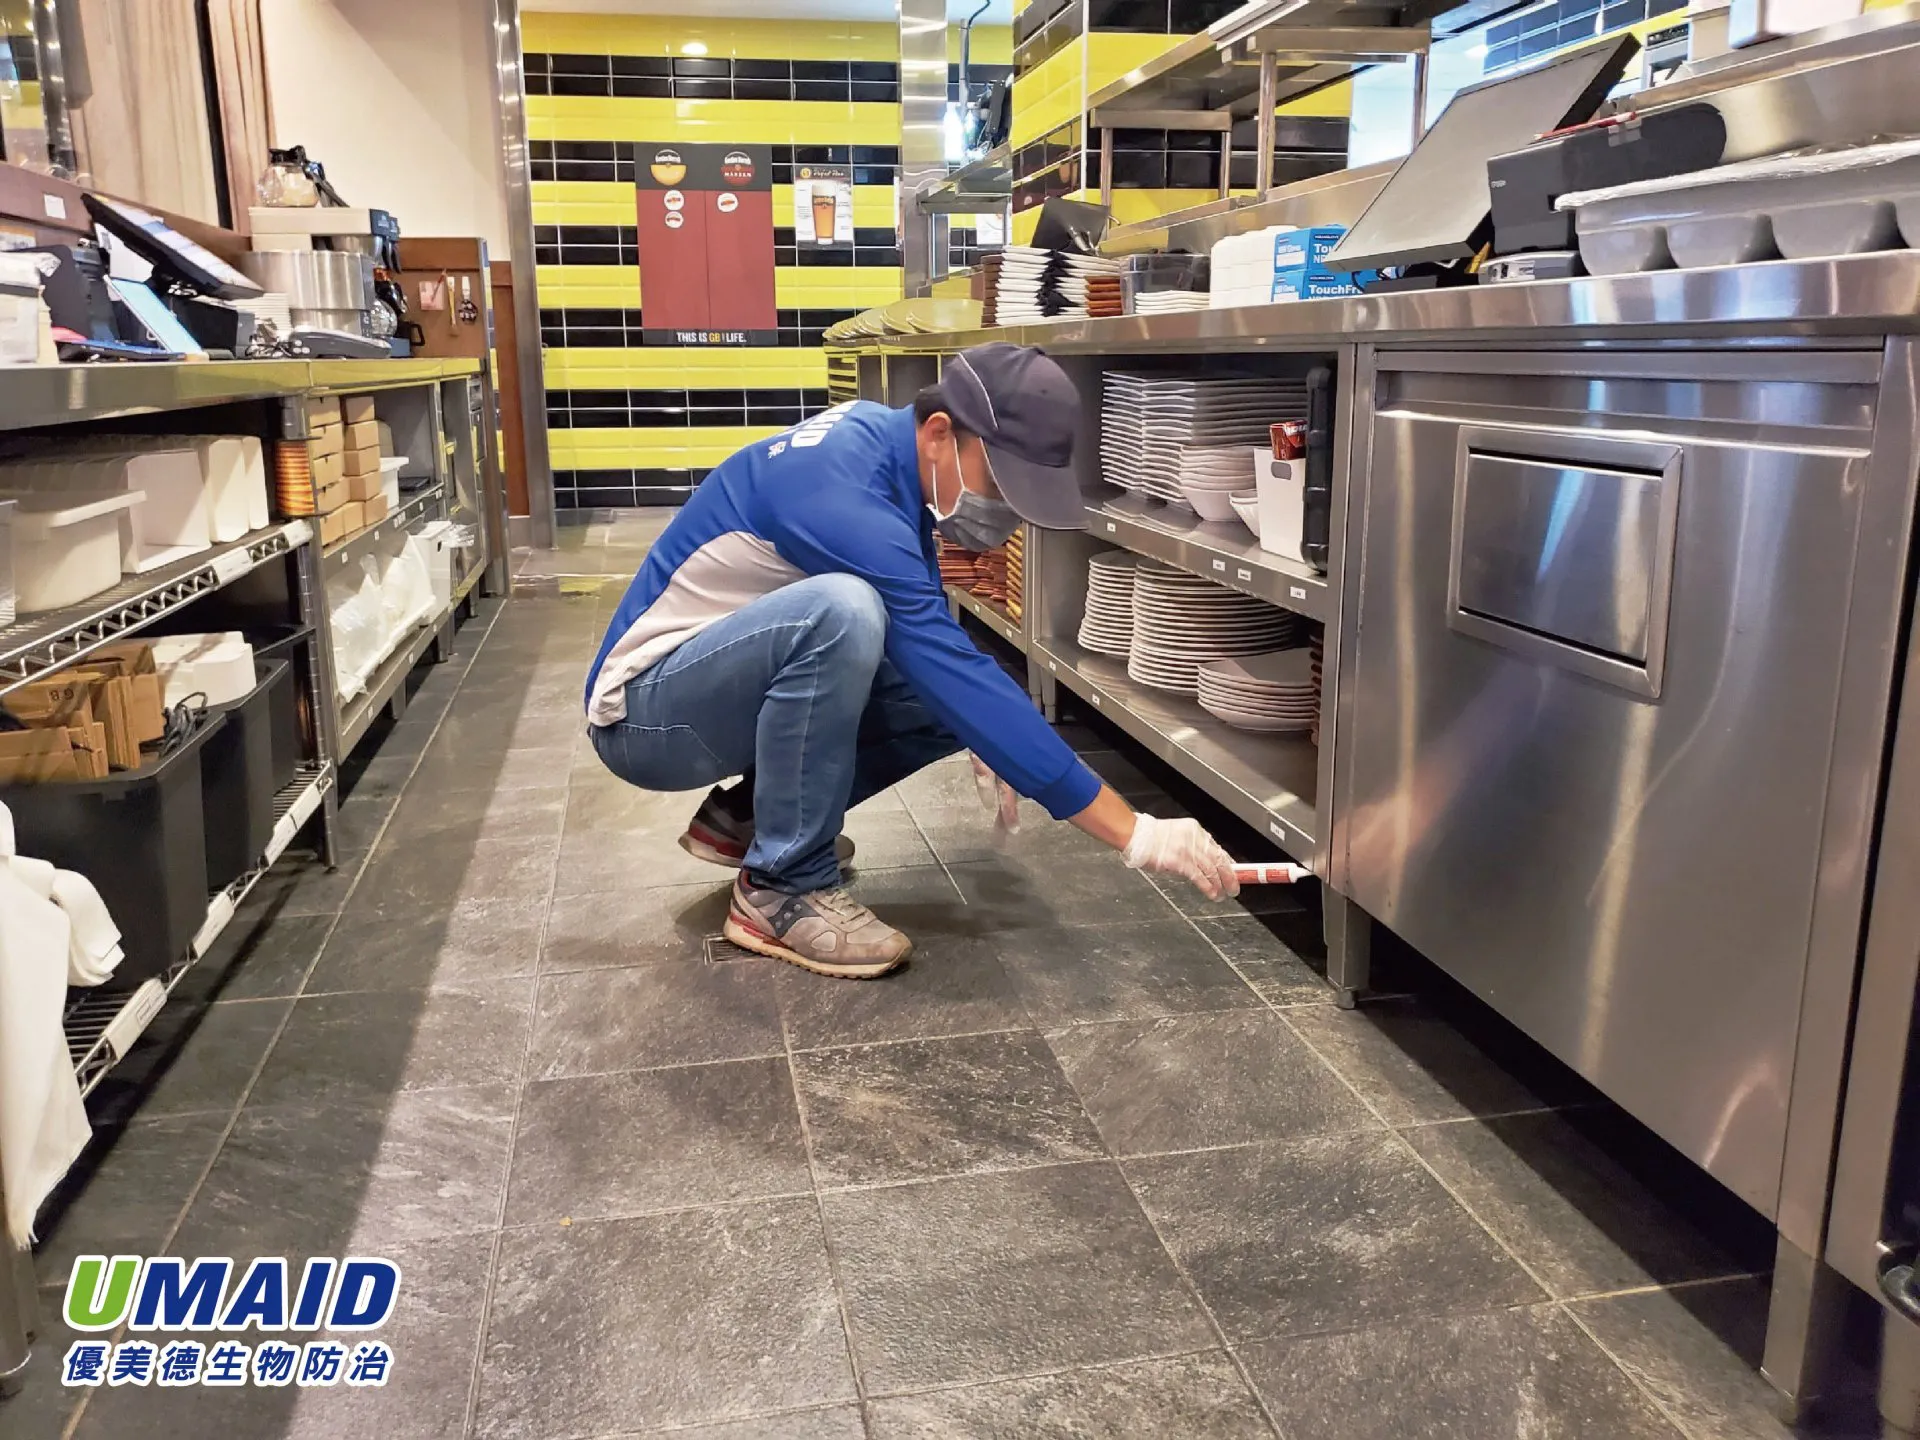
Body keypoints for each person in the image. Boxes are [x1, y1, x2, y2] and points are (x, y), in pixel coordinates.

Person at [583, 342, 1240, 980]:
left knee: (949, 694)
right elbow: (941, 663)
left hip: (703, 690)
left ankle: (751, 820)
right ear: (939, 433)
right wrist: (1134, 832)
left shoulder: (883, 449)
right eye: (998, 484)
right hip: (644, 718)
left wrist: (989, 731)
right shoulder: (841, 492)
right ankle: (783, 887)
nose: (1004, 514)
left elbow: (944, 662)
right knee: (844, 614)